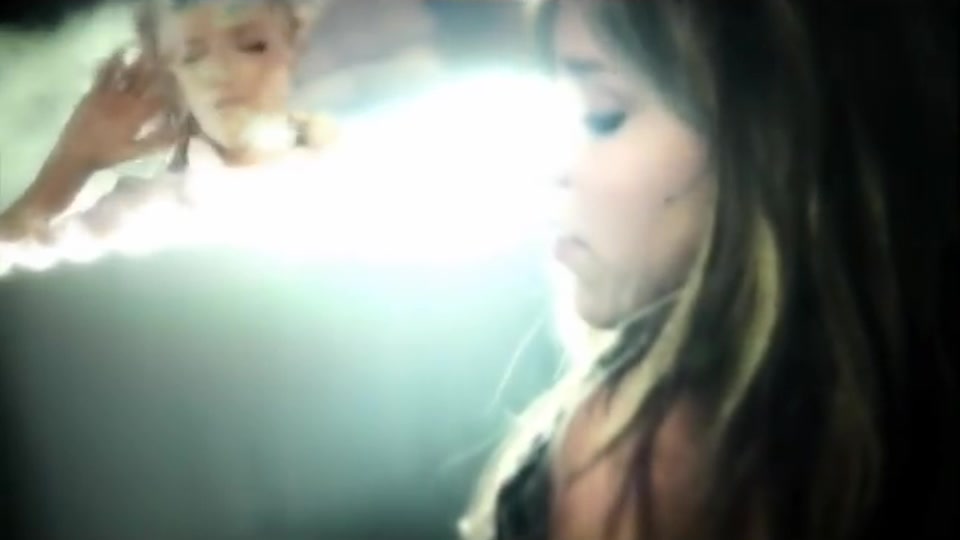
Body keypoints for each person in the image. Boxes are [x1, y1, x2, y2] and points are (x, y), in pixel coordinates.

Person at [458, 1, 957, 540]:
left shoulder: (650, 460)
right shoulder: (873, 412)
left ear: (767, 145)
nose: (549, 168)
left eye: (602, 117)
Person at [0, 0, 335, 269]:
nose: (217, 71)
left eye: (251, 45)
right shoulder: (148, 214)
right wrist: (71, 164)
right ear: (170, 77)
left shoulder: (352, 162)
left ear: (296, 42)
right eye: (192, 56)